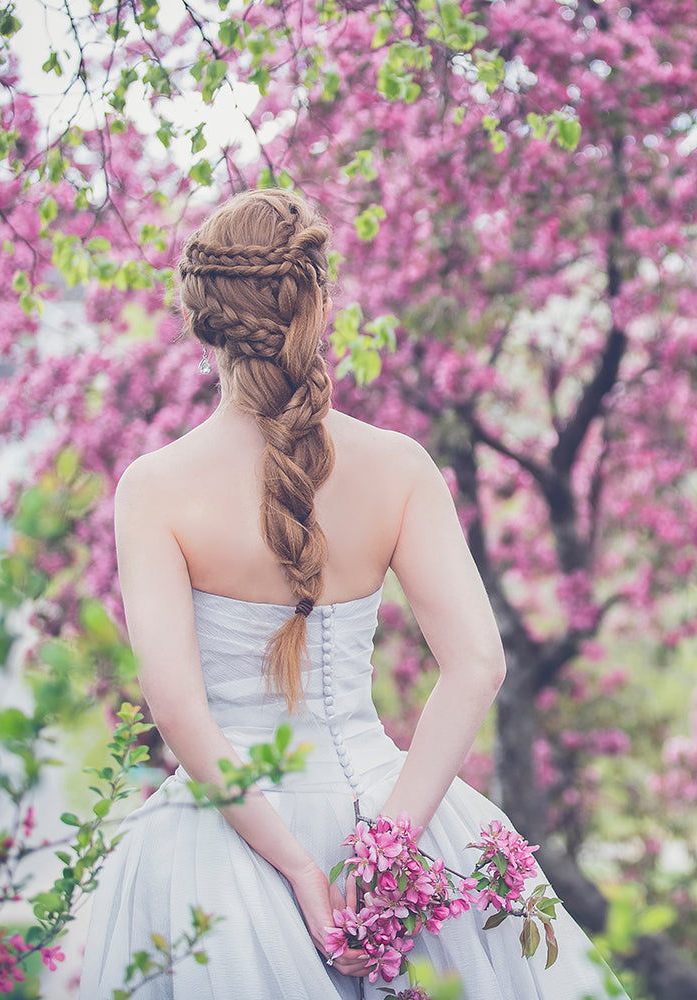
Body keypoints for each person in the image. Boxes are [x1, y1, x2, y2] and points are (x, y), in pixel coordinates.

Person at [77, 188, 627, 999]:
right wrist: (395, 846)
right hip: (392, 810)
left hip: (220, 850)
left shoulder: (154, 488)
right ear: (318, 304)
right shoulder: (399, 465)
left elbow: (177, 707)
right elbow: (477, 663)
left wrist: (298, 868)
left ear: (201, 319)